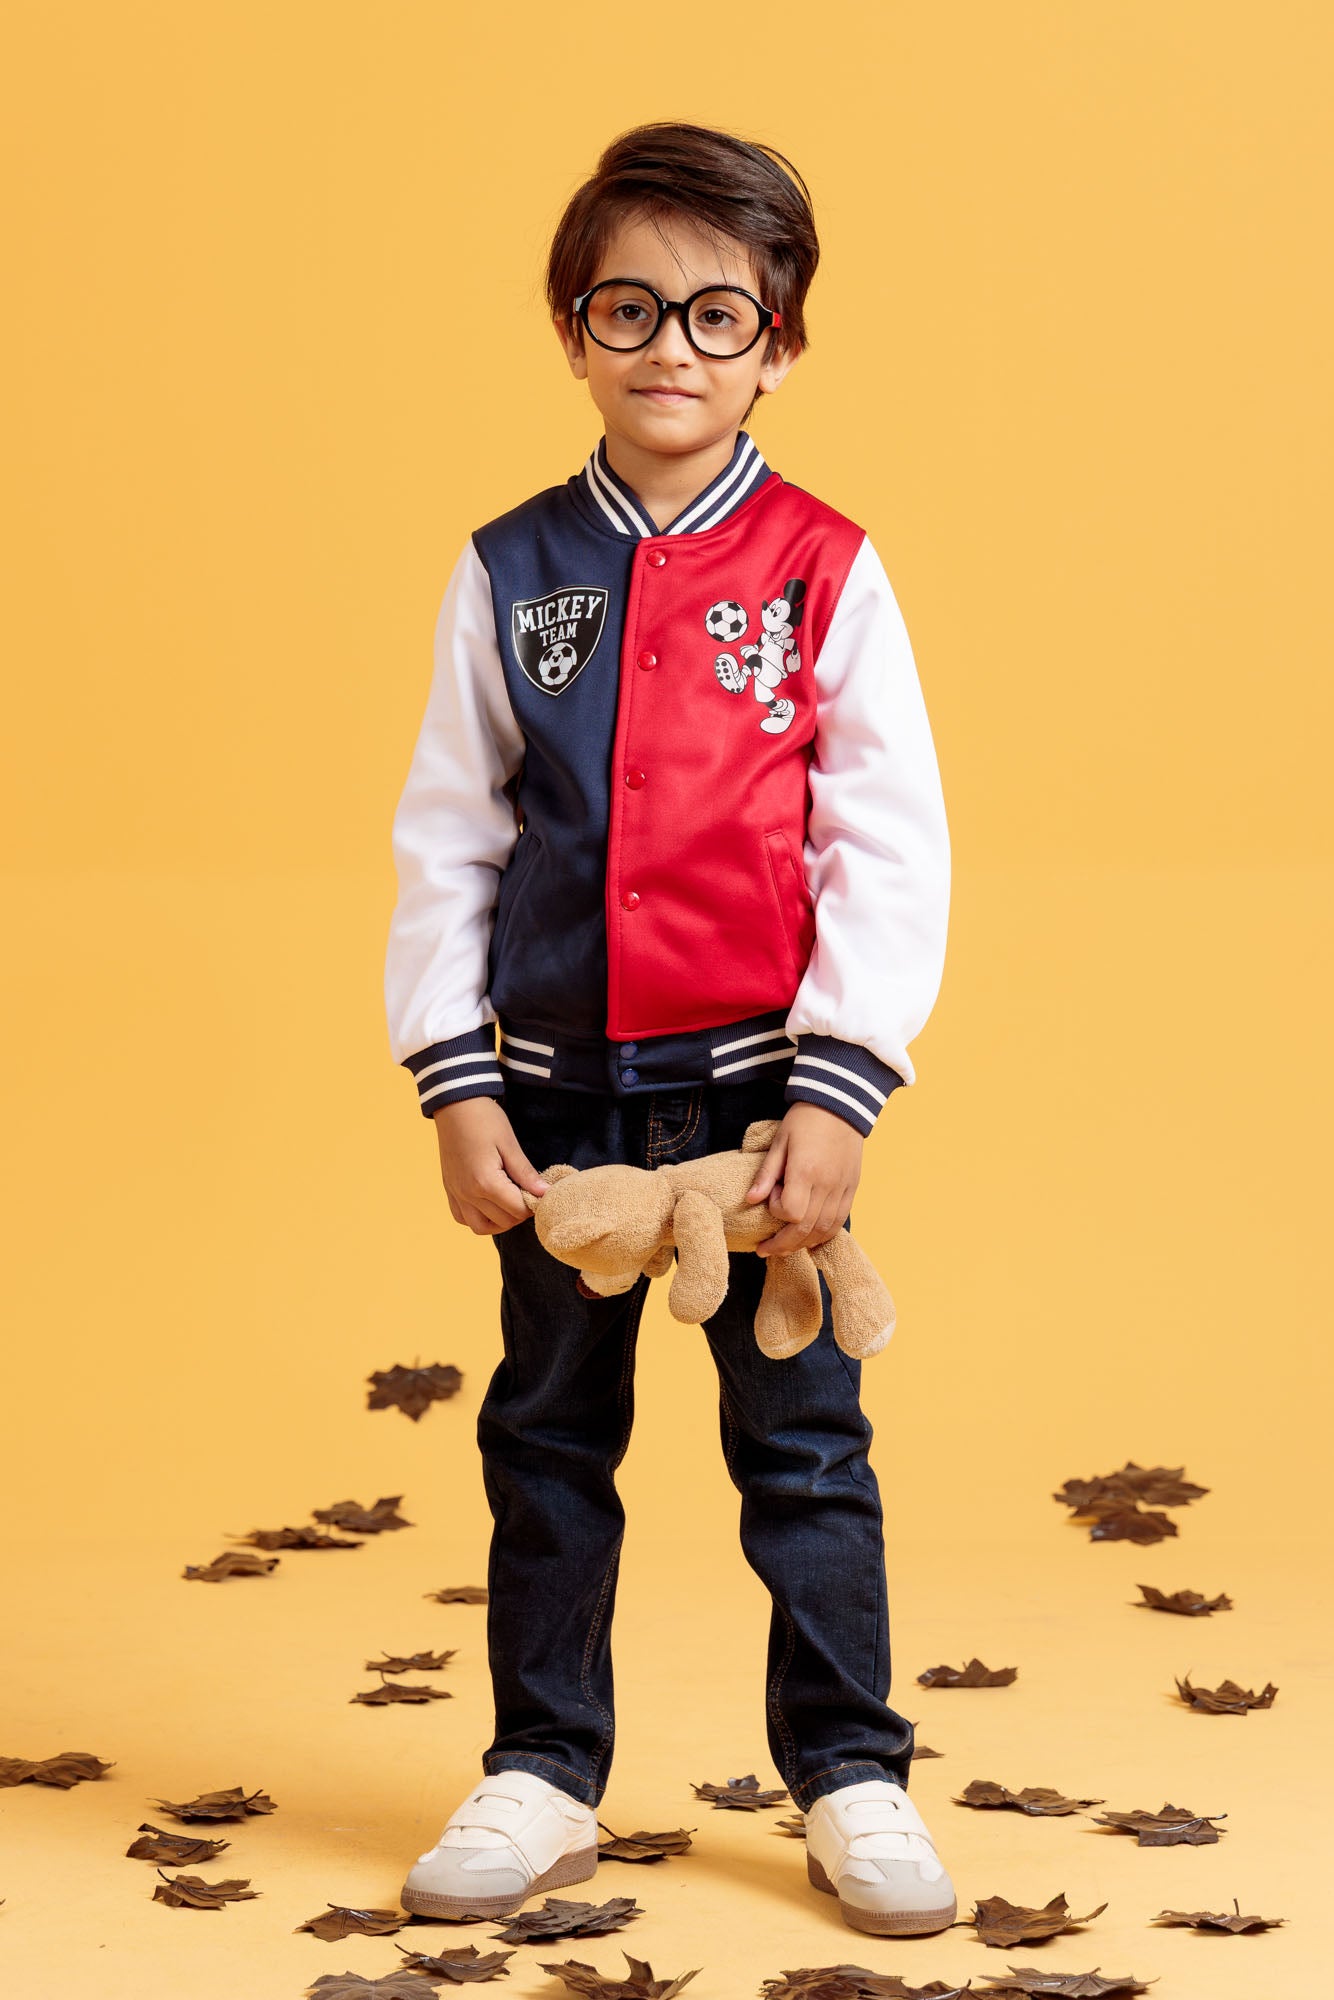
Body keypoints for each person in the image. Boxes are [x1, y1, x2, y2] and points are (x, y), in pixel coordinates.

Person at [382, 121, 955, 1939]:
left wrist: (840, 1090)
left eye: (720, 316)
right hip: (552, 1099)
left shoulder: (822, 567)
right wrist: (452, 1078)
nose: (671, 349)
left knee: (803, 1447)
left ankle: (849, 1773)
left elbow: (885, 845)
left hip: (759, 1102)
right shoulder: (510, 568)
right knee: (547, 1442)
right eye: (627, 308)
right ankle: (542, 1772)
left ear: (779, 344)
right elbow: (451, 834)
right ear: (573, 328)